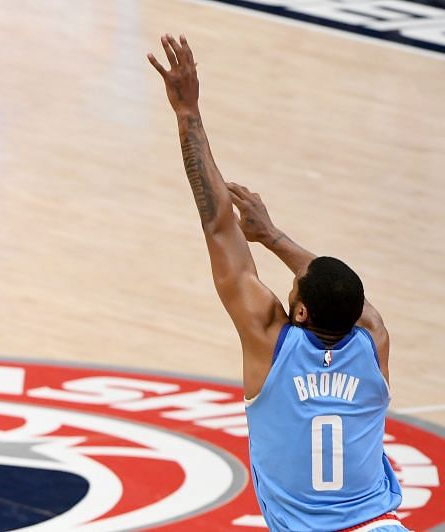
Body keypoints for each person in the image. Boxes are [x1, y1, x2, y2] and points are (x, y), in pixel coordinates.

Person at [148, 34, 406, 531]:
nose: (293, 281)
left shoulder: (270, 341)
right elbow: (354, 301)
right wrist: (277, 238)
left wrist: (188, 114)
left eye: (297, 285)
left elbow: (218, 224)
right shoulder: (373, 341)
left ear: (301, 311)